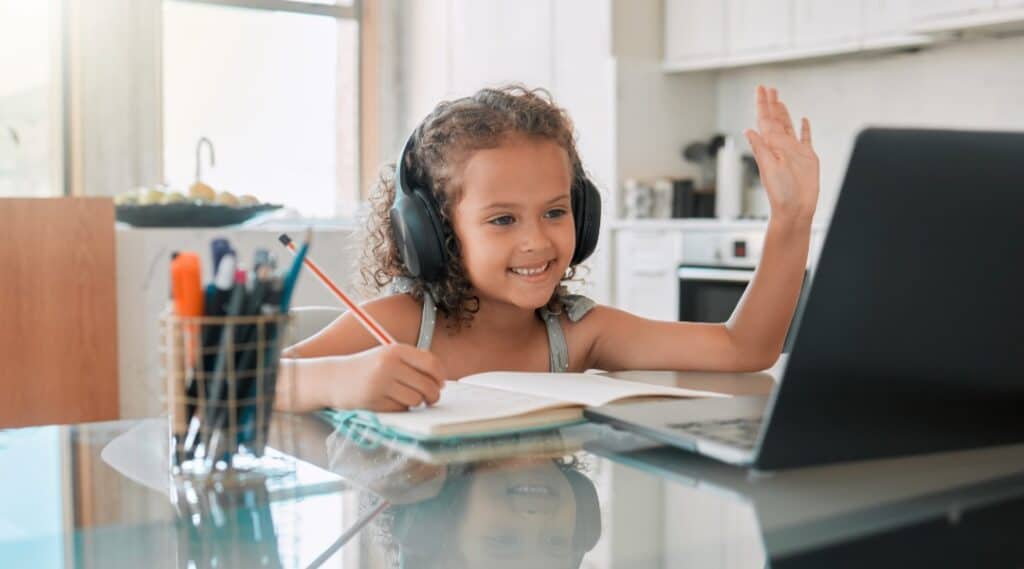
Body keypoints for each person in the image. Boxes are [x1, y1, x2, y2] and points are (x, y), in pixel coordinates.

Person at [278, 84, 819, 413]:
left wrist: (791, 221)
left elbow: (743, 349)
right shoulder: (399, 323)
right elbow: (223, 387)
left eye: (556, 212)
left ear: (582, 216)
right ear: (434, 233)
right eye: (503, 219)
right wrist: (339, 379)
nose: (536, 240)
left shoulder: (579, 333)